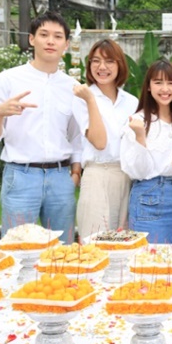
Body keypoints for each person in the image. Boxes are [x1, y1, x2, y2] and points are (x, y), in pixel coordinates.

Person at [0, 12, 92, 242]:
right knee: (18, 248)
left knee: (62, 251)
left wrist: (75, 173)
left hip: (60, 178)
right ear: (32, 39)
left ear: (66, 44)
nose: (50, 41)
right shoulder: (8, 79)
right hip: (21, 176)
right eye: (44, 35)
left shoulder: (72, 86)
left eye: (57, 36)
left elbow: (76, 137)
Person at [72, 39, 138, 237]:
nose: (102, 67)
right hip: (97, 174)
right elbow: (99, 142)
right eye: (96, 61)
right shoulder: (81, 98)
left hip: (126, 177)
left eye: (109, 61)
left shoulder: (131, 102)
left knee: (123, 241)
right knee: (94, 239)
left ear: (120, 65)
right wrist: (90, 100)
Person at [120, 60, 172, 244]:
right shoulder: (137, 121)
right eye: (158, 82)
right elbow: (137, 172)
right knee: (149, 257)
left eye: (171, 83)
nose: (165, 89)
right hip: (148, 198)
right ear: (149, 86)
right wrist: (140, 136)